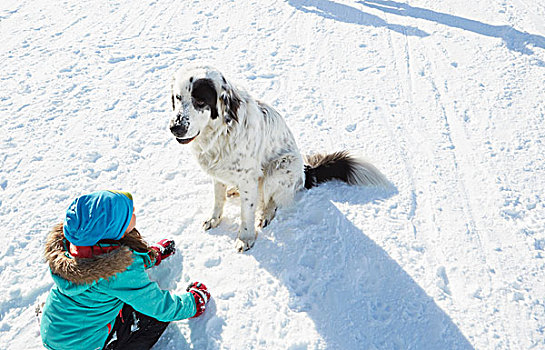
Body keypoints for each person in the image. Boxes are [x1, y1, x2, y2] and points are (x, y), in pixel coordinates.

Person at [40, 190, 210, 350]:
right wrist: (193, 303)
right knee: (152, 319)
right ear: (113, 230)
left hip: (57, 329)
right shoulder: (118, 272)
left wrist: (150, 256)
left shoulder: (77, 246)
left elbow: (115, 252)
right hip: (82, 345)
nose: (134, 211)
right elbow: (159, 307)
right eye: (128, 214)